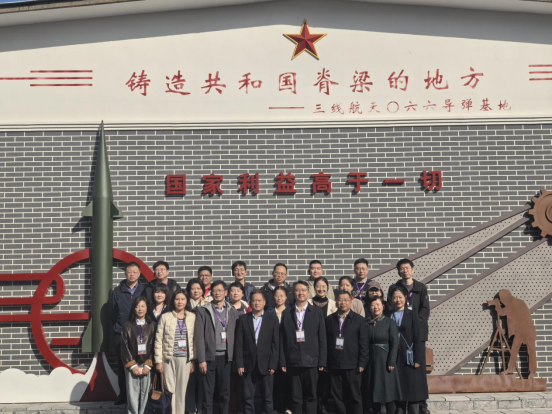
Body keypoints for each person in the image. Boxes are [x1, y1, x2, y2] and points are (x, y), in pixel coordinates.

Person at [387, 259, 430, 414]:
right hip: (399, 335)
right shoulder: (394, 288)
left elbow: (425, 309)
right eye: (401, 269)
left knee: (417, 371)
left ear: (412, 269)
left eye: (407, 268)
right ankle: (400, 403)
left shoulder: (420, 287)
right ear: (398, 271)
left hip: (415, 334)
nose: (404, 271)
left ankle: (421, 405)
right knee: (401, 371)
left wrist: (413, 323)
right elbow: (390, 307)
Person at [279, 281, 327, 414]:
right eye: (298, 290)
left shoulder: (317, 312)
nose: (301, 293)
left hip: (312, 361)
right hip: (293, 360)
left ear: (308, 292)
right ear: (294, 293)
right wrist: (283, 361)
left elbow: (322, 338)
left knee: (311, 395)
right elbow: (282, 339)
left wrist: (322, 361)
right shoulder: (287, 313)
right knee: (295, 397)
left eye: (303, 290)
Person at [195, 280, 239, 414]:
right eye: (215, 290)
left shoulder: (232, 311)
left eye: (220, 290)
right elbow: (199, 337)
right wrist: (202, 359)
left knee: (225, 393)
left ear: (226, 293)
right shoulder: (203, 311)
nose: (217, 293)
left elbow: (237, 336)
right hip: (209, 358)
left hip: (227, 358)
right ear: (211, 293)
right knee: (207, 393)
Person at [235, 290, 280, 414]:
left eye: (259, 300)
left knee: (267, 397)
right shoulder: (243, 319)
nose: (257, 303)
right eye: (254, 300)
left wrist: (273, 364)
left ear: (264, 302)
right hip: (247, 364)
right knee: (248, 397)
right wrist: (239, 364)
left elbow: (275, 344)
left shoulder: (272, 319)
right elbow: (239, 343)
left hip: (266, 364)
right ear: (250, 303)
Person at [325, 291, 369, 414]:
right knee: (336, 395)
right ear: (336, 302)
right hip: (334, 364)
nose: (343, 302)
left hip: (352, 364)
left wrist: (362, 363)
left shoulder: (359, 320)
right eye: (340, 300)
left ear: (350, 302)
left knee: (355, 395)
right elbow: (326, 342)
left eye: (346, 300)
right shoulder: (329, 320)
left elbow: (364, 343)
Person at [154, 289, 197, 414]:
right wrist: (158, 361)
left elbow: (195, 340)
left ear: (187, 301)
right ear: (173, 300)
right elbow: (158, 339)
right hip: (168, 358)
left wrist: (193, 360)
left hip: (185, 359)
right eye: (177, 299)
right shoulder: (165, 316)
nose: (180, 302)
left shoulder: (192, 317)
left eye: (183, 299)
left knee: (181, 390)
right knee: (170, 389)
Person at [112, 262, 146, 405]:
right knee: (122, 364)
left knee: (140, 362)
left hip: (140, 332)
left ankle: (140, 395)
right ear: (125, 274)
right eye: (129, 272)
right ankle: (123, 395)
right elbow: (112, 312)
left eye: (134, 272)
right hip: (121, 332)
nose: (131, 274)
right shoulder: (117, 291)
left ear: (139, 274)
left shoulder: (144, 290)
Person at [365, 297, 401, 414]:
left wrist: (391, 361)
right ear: (369, 308)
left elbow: (395, 343)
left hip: (385, 361)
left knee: (388, 392)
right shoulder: (366, 323)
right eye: (373, 305)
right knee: (373, 392)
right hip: (371, 361)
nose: (376, 307)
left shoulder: (389, 322)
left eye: (378, 304)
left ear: (383, 306)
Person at [121, 296, 155, 414]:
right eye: (137, 306)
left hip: (147, 365)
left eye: (143, 306)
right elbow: (124, 347)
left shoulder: (153, 325)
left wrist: (148, 364)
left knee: (146, 393)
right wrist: (133, 365)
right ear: (133, 309)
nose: (140, 309)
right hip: (133, 365)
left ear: (147, 308)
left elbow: (156, 346)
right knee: (132, 394)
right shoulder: (127, 326)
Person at [307, 276, 336, 414]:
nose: (321, 289)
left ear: (327, 288)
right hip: (312, 344)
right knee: (313, 378)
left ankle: (323, 403)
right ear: (314, 288)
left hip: (329, 344)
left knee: (325, 377)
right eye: (318, 286)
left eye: (324, 286)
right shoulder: (308, 303)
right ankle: (313, 403)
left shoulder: (333, 304)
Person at [268, 286, 291, 414]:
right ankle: (276, 407)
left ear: (286, 297)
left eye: (282, 295)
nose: (279, 298)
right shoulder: (269, 312)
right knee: (275, 383)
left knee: (287, 382)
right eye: (277, 295)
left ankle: (287, 406)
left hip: (287, 351)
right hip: (273, 350)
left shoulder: (291, 311)